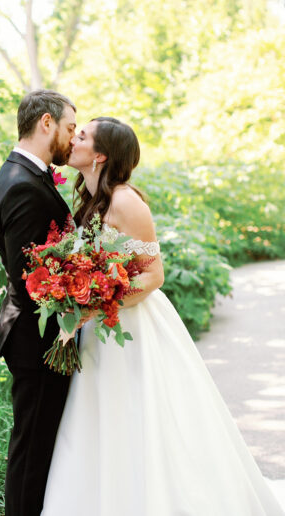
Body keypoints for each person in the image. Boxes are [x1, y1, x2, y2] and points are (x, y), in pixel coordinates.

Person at [41, 117, 285, 515]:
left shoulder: (125, 200)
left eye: (81, 136)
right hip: (97, 327)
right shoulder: (87, 198)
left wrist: (95, 306)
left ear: (100, 154)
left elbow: (154, 275)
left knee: (138, 418)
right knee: (100, 421)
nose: (73, 139)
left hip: (130, 326)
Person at [0, 89, 77, 516]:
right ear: (46, 123)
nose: (73, 139)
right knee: (31, 449)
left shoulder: (26, 174)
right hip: (36, 339)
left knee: (38, 442)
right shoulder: (22, 185)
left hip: (37, 335)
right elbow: (31, 282)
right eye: (70, 128)